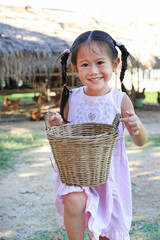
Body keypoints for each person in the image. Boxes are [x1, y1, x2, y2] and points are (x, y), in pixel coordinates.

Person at [49, 30, 147, 240]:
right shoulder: (71, 98)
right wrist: (59, 123)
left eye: (100, 62)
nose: (93, 71)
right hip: (77, 171)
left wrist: (137, 127)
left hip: (109, 175)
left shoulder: (119, 100)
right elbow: (66, 130)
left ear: (115, 63)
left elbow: (140, 141)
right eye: (85, 65)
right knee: (74, 200)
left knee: (107, 230)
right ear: (75, 68)